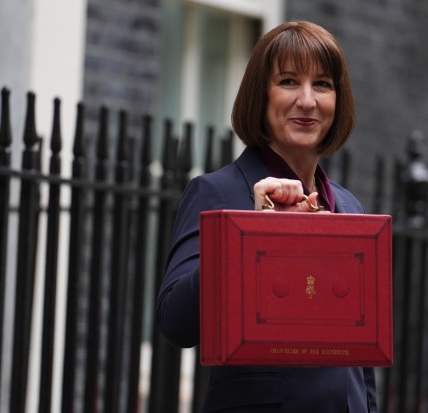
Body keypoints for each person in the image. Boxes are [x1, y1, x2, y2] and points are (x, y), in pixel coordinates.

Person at [156, 20, 377, 412]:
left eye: (323, 84)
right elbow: (176, 322)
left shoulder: (350, 207)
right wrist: (253, 232)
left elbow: (361, 358)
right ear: (260, 96)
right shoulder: (218, 192)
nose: (307, 100)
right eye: (289, 81)